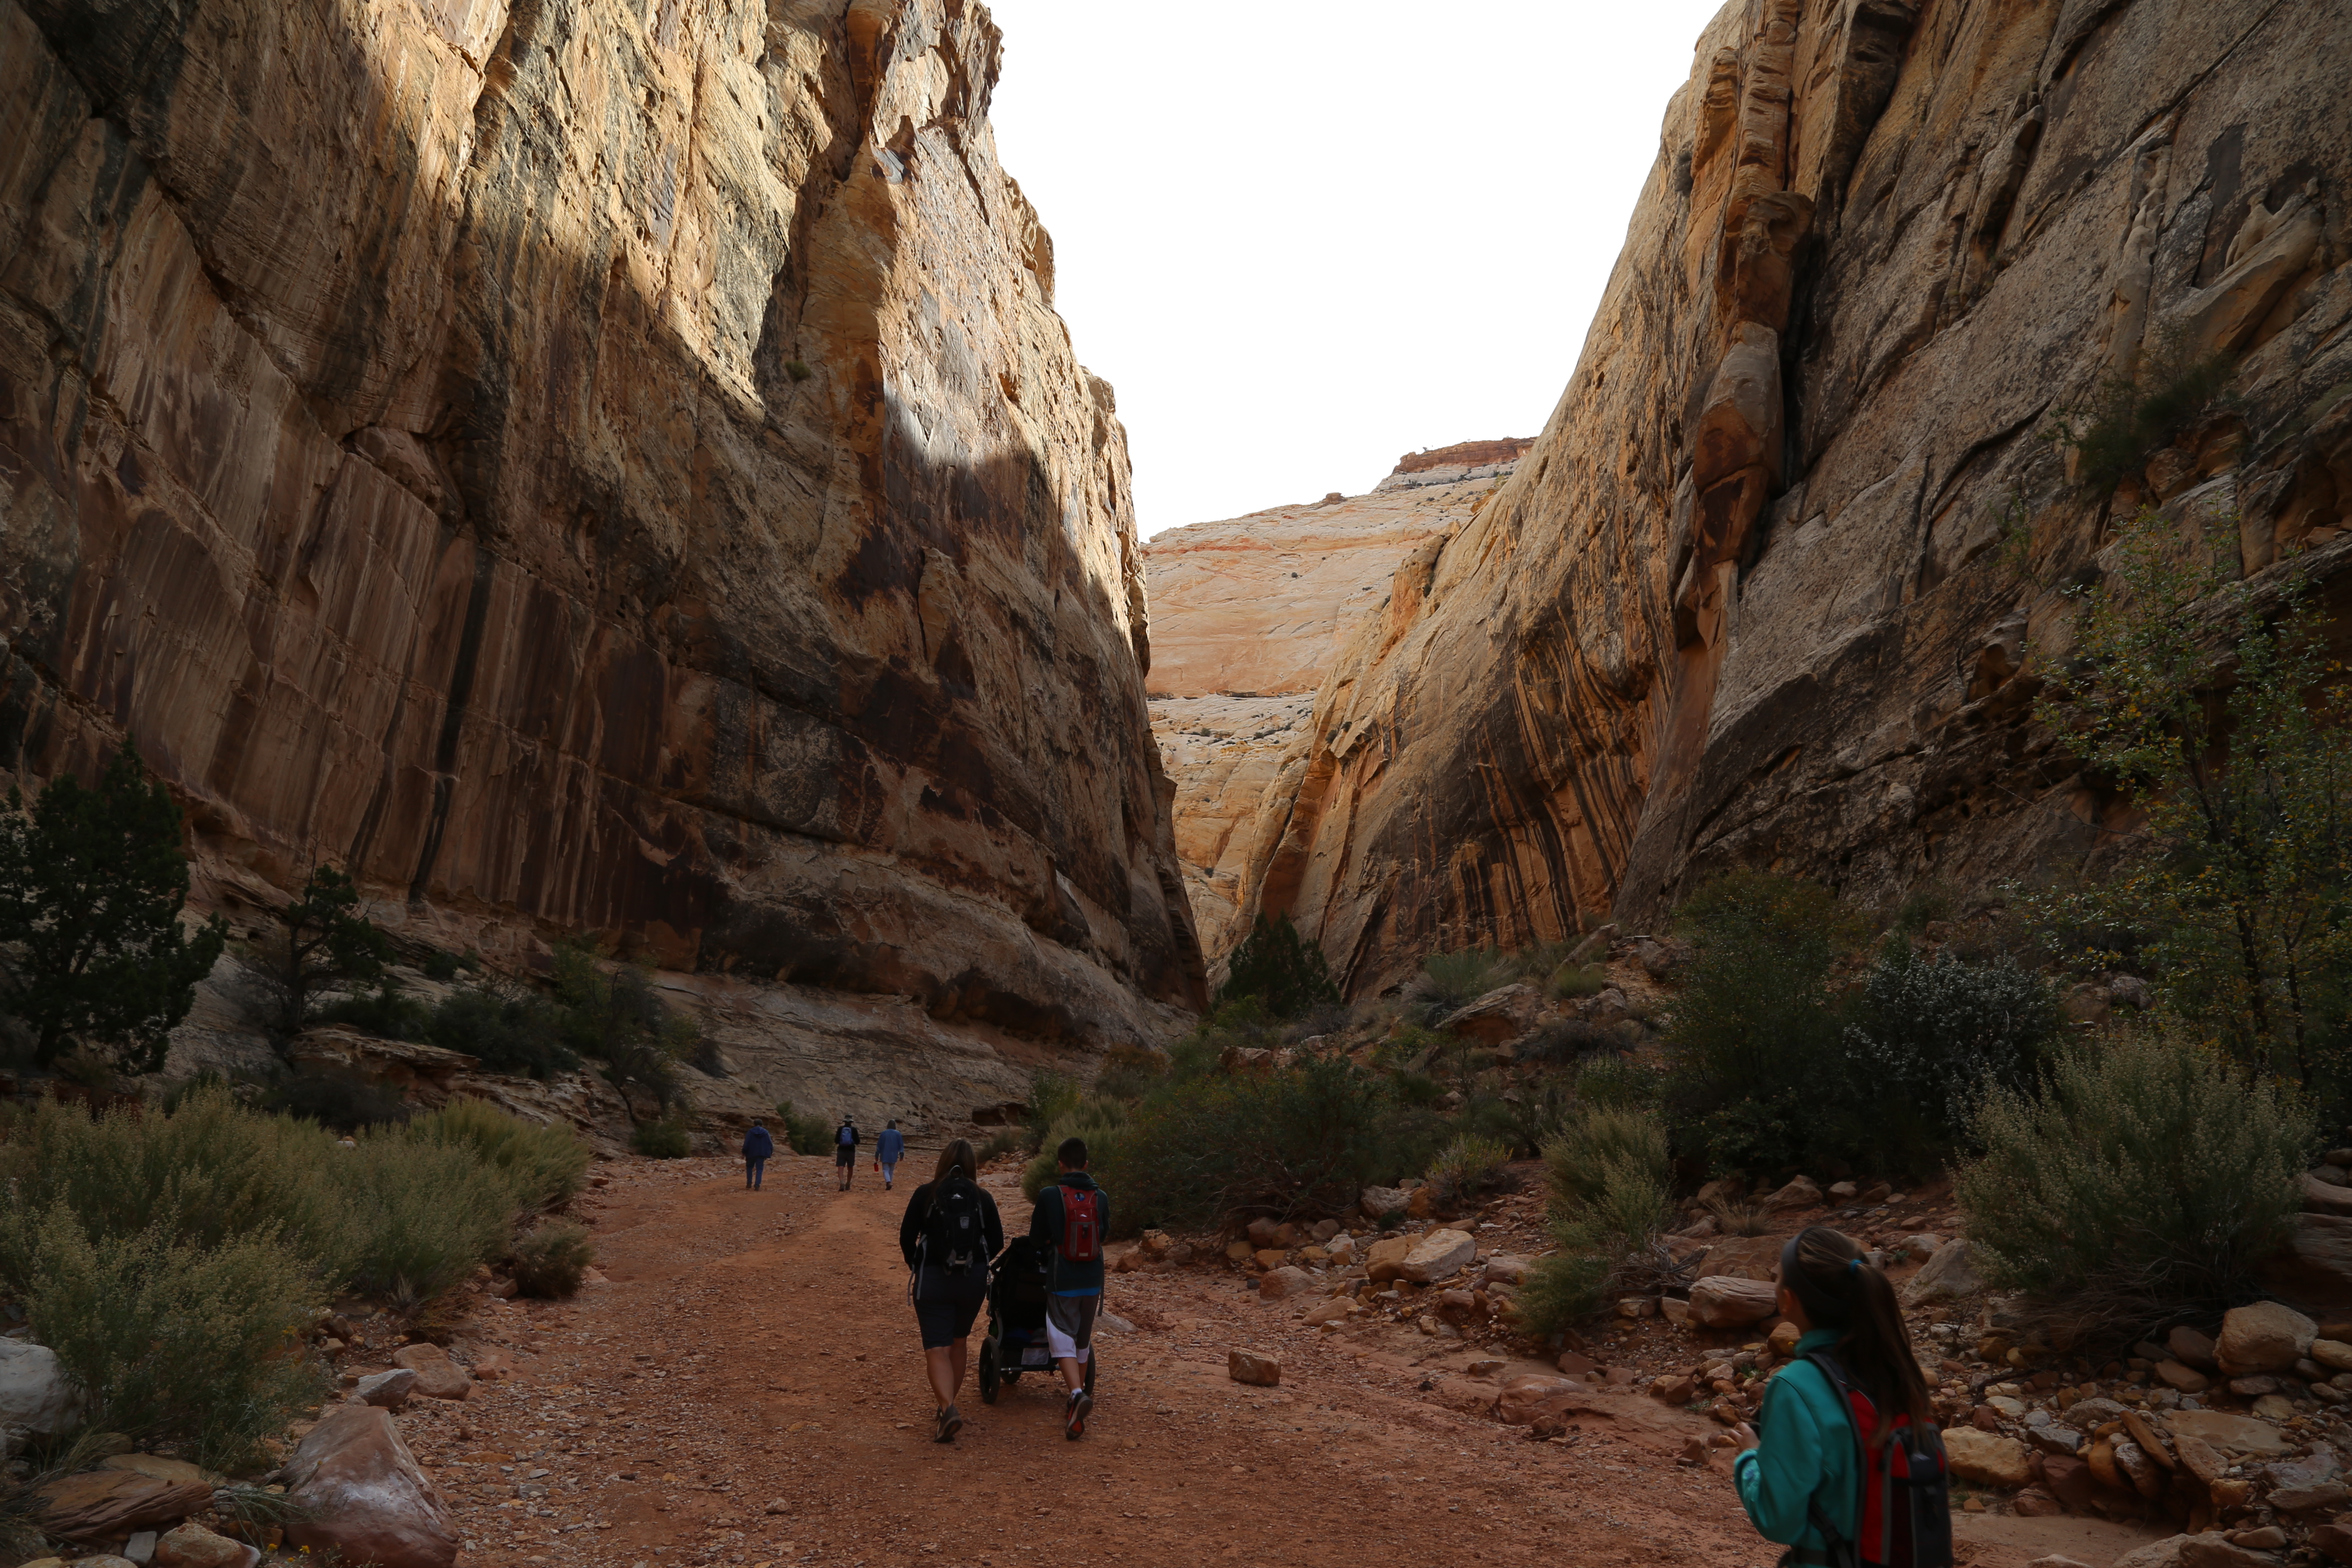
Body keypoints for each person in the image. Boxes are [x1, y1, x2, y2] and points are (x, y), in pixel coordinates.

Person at [1730, 1225, 1942, 1567]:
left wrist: (1751, 1459)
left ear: (1787, 1301)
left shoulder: (1796, 1385)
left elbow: (1777, 1518)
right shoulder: (1897, 1370)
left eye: (1778, 1277)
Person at [898, 1137, 1002, 1443]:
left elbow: (906, 1238)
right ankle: (947, 1407)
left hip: (933, 1279)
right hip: (972, 1280)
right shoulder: (982, 1197)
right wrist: (977, 1263)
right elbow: (996, 1240)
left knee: (936, 1347)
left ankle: (948, 1408)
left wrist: (918, 1265)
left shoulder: (925, 1194)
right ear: (973, 1165)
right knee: (959, 1343)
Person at [1027, 1135, 1109, 1439]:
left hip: (1063, 1277)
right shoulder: (1101, 1197)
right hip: (1093, 1279)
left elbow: (1036, 1237)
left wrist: (1051, 1242)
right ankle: (1076, 1401)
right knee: (1082, 1339)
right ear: (1087, 1165)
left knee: (1061, 1335)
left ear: (1060, 1164)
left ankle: (1076, 1394)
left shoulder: (1050, 1195)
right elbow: (1106, 1234)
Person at [742, 1119, 774, 1191]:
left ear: (754, 1124)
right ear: (762, 1124)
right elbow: (770, 1144)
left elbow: (746, 1143)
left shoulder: (750, 1132)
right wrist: (770, 1153)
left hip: (751, 1153)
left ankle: (749, 1184)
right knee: (759, 1169)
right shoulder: (766, 1132)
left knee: (749, 1168)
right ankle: (757, 1185)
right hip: (761, 1154)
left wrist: (744, 1152)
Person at [876, 1119, 906, 1190]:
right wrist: (902, 1154)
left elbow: (879, 1145)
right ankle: (890, 1182)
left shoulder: (883, 1134)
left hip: (885, 1154)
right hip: (894, 1155)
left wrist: (877, 1155)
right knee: (891, 1170)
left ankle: (888, 1182)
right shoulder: (898, 1134)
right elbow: (901, 1145)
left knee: (885, 1169)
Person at [834, 1114, 858, 1191]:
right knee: (850, 1167)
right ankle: (848, 1184)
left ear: (844, 1121)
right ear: (851, 1122)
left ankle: (842, 1183)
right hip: (851, 1151)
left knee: (841, 1167)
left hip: (841, 1150)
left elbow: (836, 1141)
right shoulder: (854, 1130)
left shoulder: (840, 1129)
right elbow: (858, 1142)